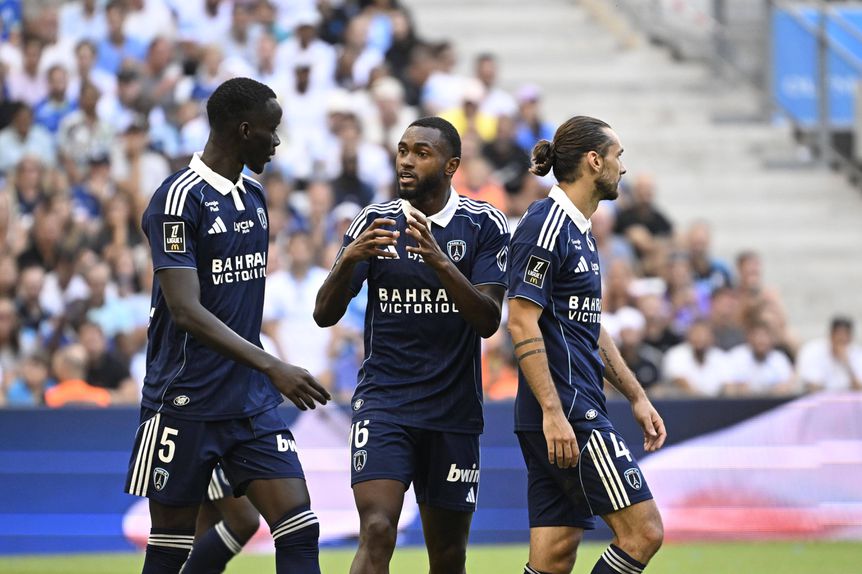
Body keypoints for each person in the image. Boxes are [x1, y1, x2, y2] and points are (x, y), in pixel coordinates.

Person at [123, 77, 330, 574]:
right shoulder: (177, 199)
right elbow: (185, 310)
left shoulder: (254, 196)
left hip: (249, 403)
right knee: (170, 547)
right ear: (244, 130)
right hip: (186, 399)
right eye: (271, 130)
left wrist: (261, 374)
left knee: (299, 527)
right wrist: (273, 365)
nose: (276, 142)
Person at [313, 116, 509, 574]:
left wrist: (441, 263)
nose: (406, 161)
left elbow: (487, 320)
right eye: (403, 150)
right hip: (385, 404)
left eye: (422, 153)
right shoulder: (374, 221)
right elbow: (324, 314)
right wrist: (350, 259)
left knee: (448, 555)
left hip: (453, 411)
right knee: (377, 528)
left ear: (450, 165)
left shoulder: (483, 223)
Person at [506, 116, 665, 574]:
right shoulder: (546, 223)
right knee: (644, 532)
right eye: (618, 156)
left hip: (566, 409)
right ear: (594, 161)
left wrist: (636, 395)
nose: (623, 168)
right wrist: (554, 412)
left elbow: (590, 327)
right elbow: (520, 321)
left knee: (554, 555)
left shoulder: (580, 229)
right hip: (568, 412)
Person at [797, 316, 862, 393]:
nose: (841, 340)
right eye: (839, 336)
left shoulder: (856, 353)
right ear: (831, 335)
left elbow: (859, 388)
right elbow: (812, 386)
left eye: (845, 338)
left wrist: (847, 365)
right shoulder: (813, 350)